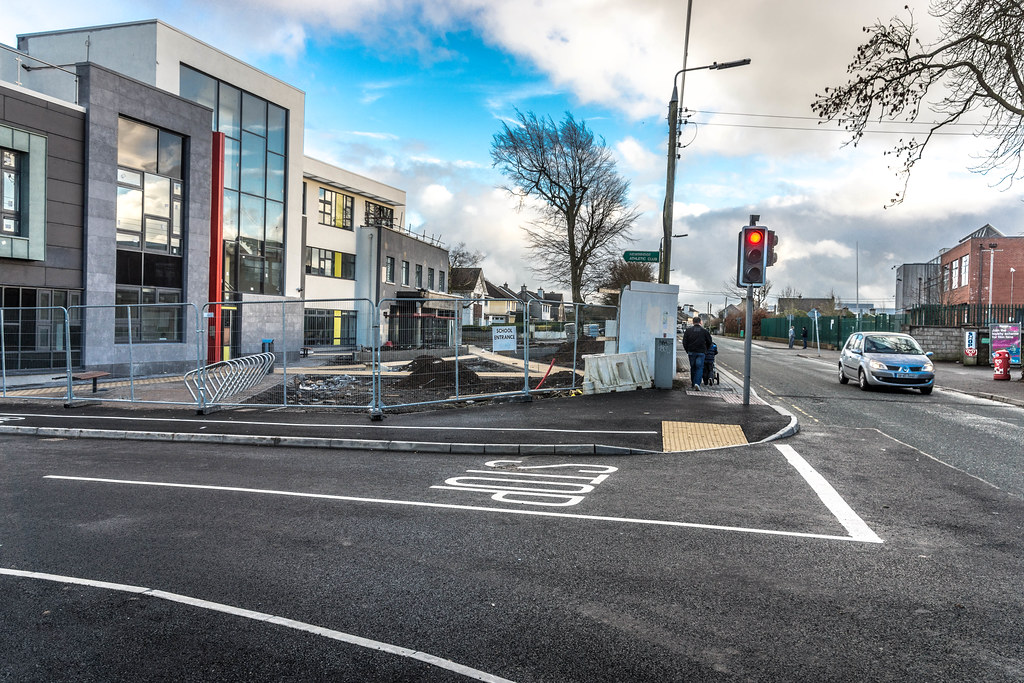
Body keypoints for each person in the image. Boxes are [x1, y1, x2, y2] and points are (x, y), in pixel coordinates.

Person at [682, 316, 713, 391]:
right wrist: (706, 349)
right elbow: (710, 342)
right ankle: (697, 383)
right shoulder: (704, 331)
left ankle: (693, 384)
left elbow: (684, 342)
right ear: (700, 322)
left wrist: (687, 350)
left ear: (693, 322)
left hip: (691, 352)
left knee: (693, 368)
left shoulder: (688, 331)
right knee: (699, 368)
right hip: (701, 352)